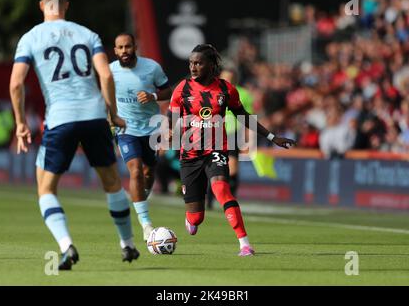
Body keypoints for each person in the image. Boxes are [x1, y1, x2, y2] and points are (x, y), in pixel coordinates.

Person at [9, 0, 140, 270]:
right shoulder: (87, 34)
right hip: (94, 116)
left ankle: (66, 245)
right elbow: (105, 74)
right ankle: (127, 243)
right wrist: (113, 113)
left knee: (46, 189)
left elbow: (16, 83)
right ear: (66, 4)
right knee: (112, 183)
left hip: (60, 118)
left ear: (42, 5)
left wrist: (20, 123)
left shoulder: (30, 38)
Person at [166, 44, 295, 256]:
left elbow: (243, 116)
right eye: (191, 63)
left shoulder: (226, 90)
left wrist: (272, 137)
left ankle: (245, 244)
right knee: (196, 217)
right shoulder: (182, 89)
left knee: (222, 190)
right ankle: (192, 218)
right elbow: (171, 116)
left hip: (217, 149)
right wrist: (170, 130)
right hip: (189, 155)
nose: (193, 67)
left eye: (198, 63)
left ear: (210, 65)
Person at [111, 33, 172, 241]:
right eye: (120, 47)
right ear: (115, 51)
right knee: (135, 171)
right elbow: (103, 96)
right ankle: (146, 224)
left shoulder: (151, 67)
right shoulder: (110, 71)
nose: (124, 51)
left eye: (128, 46)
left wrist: (153, 96)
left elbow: (168, 92)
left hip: (151, 128)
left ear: (135, 47)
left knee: (148, 173)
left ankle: (139, 202)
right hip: (126, 129)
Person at [206, 66, 254, 209]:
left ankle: (230, 201)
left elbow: (247, 117)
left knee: (232, 169)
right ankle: (209, 200)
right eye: (226, 77)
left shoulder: (243, 94)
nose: (228, 80)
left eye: (231, 78)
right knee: (214, 166)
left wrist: (249, 138)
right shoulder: (212, 92)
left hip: (233, 134)